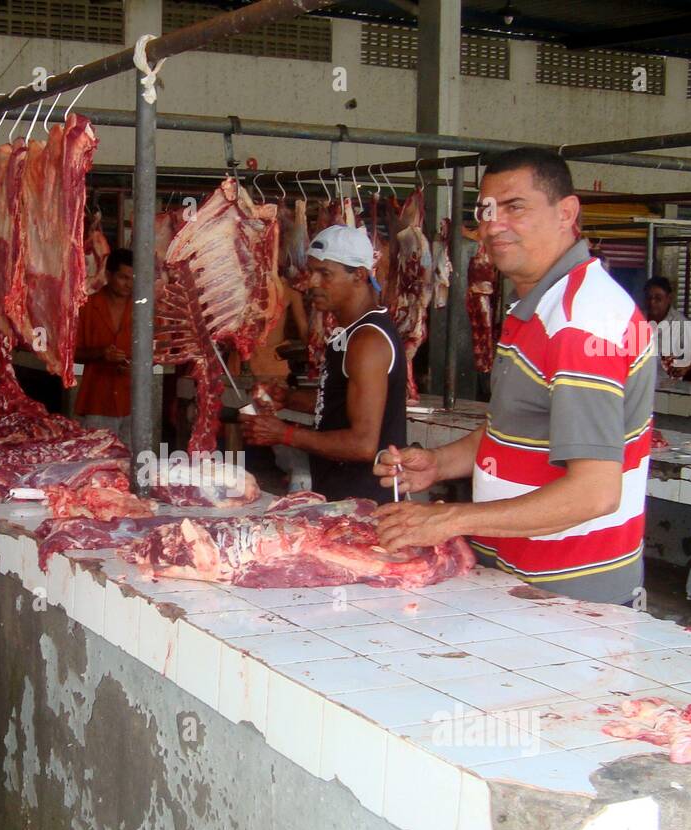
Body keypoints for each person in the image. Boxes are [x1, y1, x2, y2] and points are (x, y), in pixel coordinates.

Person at [374, 148, 657, 606]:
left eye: (515, 207)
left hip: (570, 601)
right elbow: (516, 428)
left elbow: (595, 492)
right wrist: (439, 463)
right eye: (486, 210)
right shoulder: (538, 307)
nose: (493, 224)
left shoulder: (581, 320)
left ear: (567, 213)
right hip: (515, 584)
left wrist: (451, 520)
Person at [240, 225, 406, 502]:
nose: (312, 282)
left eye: (325, 274)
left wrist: (285, 434)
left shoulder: (368, 340)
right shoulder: (349, 332)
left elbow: (364, 444)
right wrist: (290, 399)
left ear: (359, 275)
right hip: (343, 493)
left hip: (366, 502)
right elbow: (343, 403)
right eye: (312, 271)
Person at [74, 247, 134, 439]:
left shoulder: (143, 309)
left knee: (132, 464)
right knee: (96, 464)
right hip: (97, 401)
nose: (129, 284)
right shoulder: (87, 307)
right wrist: (100, 353)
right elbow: (72, 352)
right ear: (108, 275)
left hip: (133, 402)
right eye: (124, 278)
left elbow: (158, 351)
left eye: (133, 278)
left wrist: (137, 366)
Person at [643, 274, 691, 377]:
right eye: (649, 298)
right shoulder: (637, 319)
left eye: (658, 299)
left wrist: (684, 367)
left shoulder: (679, 322)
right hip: (642, 382)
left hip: (669, 385)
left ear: (669, 298)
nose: (652, 302)